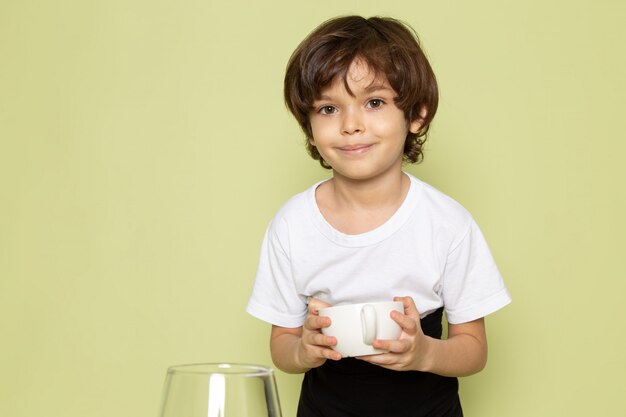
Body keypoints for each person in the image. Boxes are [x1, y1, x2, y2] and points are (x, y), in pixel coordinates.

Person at [247, 15, 511, 417]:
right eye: (328, 107)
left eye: (374, 102)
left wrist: (424, 353)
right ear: (310, 125)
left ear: (417, 114)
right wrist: (303, 349)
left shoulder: (447, 224)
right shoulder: (292, 225)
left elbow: (474, 350)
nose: (351, 125)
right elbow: (281, 346)